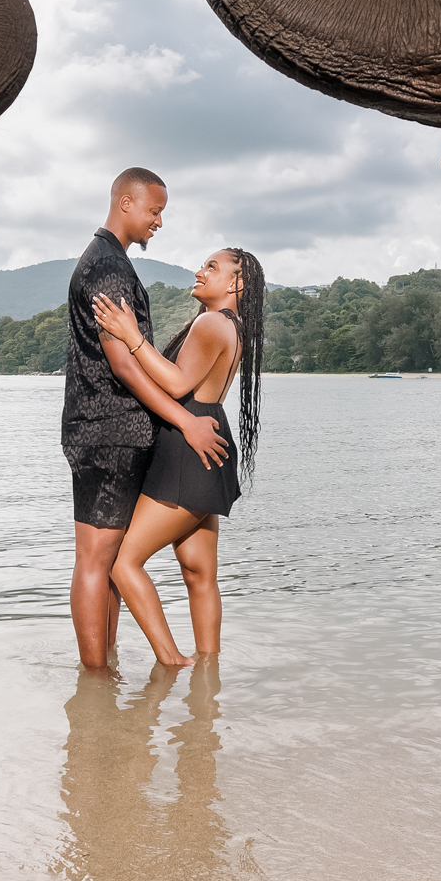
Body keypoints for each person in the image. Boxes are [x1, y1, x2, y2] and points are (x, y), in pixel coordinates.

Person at [63, 168, 228, 668]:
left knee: (110, 559)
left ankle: (104, 675)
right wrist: (186, 421)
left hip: (112, 429)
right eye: (155, 210)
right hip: (107, 430)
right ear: (126, 203)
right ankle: (96, 680)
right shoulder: (109, 268)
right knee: (97, 559)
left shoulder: (111, 263)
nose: (159, 221)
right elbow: (124, 366)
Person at [90, 246, 265, 667]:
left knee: (123, 563)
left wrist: (130, 335)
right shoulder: (233, 326)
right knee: (199, 573)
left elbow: (176, 383)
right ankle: (208, 672)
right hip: (209, 444)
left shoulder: (211, 322)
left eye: (212, 267)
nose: (199, 272)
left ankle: (172, 661)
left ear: (237, 282)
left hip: (189, 452)